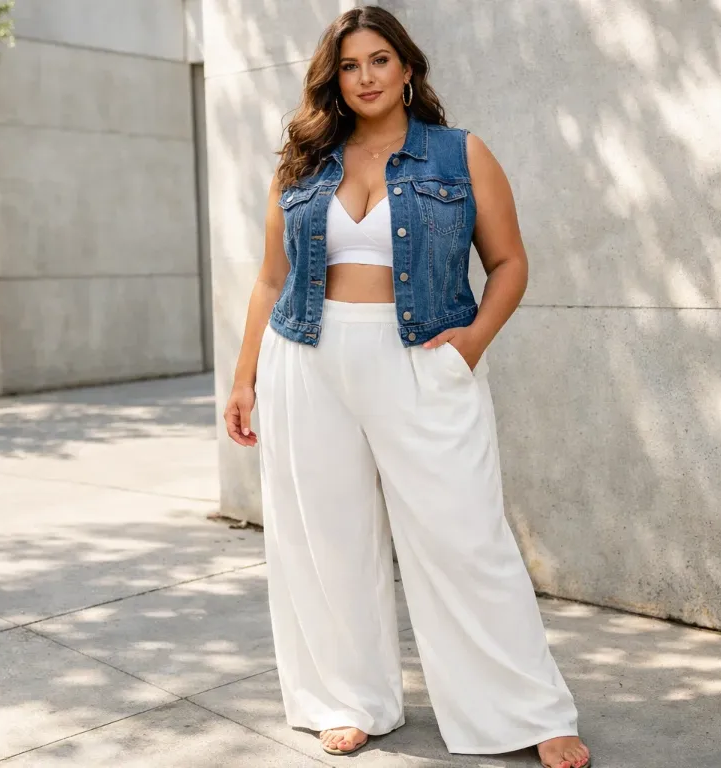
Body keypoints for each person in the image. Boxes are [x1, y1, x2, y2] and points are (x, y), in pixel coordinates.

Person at [222, 7, 591, 767]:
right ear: (334, 77)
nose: (365, 78)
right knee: (327, 540)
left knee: (466, 538)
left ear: (407, 67)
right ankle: (347, 698)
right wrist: (244, 377)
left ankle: (528, 710)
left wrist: (470, 346)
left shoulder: (459, 154)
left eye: (380, 60)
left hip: (421, 355)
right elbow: (270, 278)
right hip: (308, 358)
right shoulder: (302, 163)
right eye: (350, 65)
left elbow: (510, 264)